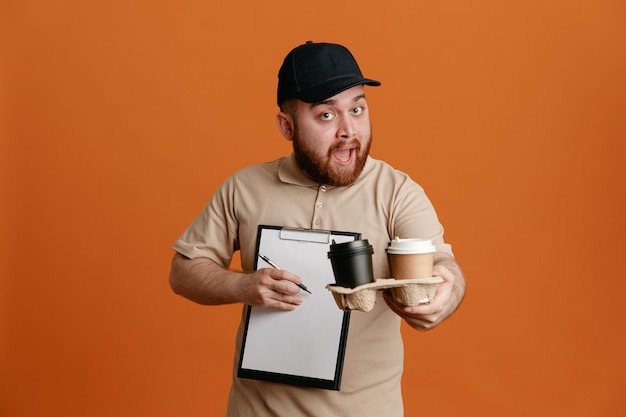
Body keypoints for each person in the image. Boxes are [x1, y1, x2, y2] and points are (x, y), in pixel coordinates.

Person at [169, 41, 466, 417]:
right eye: (326, 116)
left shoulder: (397, 192)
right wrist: (243, 285)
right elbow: (183, 271)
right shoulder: (243, 188)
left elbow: (442, 262)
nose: (348, 130)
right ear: (287, 126)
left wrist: (444, 291)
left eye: (357, 109)